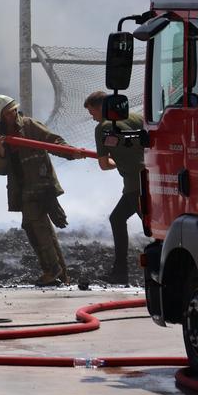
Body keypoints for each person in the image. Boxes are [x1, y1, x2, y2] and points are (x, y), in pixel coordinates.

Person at [0, 94, 73, 287]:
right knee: (38, 229)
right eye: (8, 113)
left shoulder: (29, 125)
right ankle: (59, 273)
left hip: (42, 187)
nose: (13, 114)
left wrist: (70, 152)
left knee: (37, 228)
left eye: (13, 110)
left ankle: (53, 272)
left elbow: (52, 141)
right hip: (24, 190)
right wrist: (0, 150)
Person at [84, 90, 145, 284]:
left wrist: (118, 161)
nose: (93, 119)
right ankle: (121, 271)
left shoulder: (103, 127)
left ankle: (122, 273)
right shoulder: (137, 117)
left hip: (134, 185)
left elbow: (104, 165)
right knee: (118, 218)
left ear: (101, 107)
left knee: (151, 227)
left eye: (92, 113)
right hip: (150, 178)